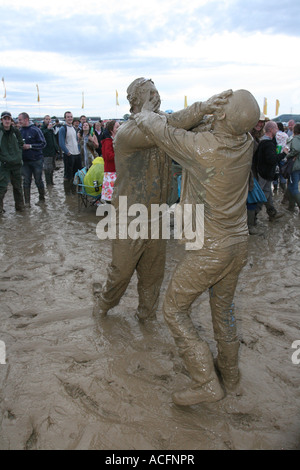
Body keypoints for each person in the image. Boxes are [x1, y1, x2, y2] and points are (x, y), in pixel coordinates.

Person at [133, 89, 260, 406]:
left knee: (174, 310)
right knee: (224, 310)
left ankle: (205, 382)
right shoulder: (247, 143)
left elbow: (158, 128)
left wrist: (145, 110)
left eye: (222, 108)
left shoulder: (204, 149)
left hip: (212, 249)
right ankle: (230, 378)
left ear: (222, 116)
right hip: (238, 243)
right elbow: (216, 127)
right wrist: (212, 114)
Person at [93, 77, 232, 327]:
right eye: (150, 94)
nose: (157, 97)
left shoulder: (159, 127)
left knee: (153, 275)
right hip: (129, 216)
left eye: (158, 92)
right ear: (136, 100)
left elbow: (184, 130)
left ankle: (146, 318)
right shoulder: (128, 132)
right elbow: (170, 124)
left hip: (157, 215)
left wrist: (211, 119)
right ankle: (103, 306)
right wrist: (201, 107)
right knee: (120, 274)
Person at [252, 120, 287, 222]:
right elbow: (272, 160)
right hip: (264, 173)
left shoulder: (263, 141)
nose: (278, 131)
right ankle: (252, 217)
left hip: (263, 172)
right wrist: (283, 154)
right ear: (271, 130)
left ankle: (272, 213)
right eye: (276, 128)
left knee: (268, 194)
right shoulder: (268, 144)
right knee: (261, 195)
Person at [18, 112, 46, 207]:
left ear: (26, 119)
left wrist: (30, 146)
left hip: (36, 160)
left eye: (20, 120)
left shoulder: (35, 130)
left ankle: (42, 199)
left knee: (38, 180)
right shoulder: (19, 131)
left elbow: (43, 144)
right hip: (24, 161)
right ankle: (27, 203)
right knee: (26, 182)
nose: (19, 121)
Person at [0, 111, 25, 214]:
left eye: (8, 119)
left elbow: (21, 143)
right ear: (1, 120)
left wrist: (18, 155)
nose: (7, 121)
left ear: (11, 120)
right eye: (4, 119)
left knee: (18, 188)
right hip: (4, 165)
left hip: (16, 165)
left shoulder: (15, 131)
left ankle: (20, 209)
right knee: (2, 189)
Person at [58, 111, 81, 193]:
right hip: (69, 155)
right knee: (68, 175)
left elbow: (76, 141)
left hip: (77, 154)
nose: (70, 118)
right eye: (68, 117)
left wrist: (78, 150)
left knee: (75, 174)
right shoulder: (63, 129)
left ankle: (74, 191)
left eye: (71, 116)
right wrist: (67, 152)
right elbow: (61, 143)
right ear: (65, 118)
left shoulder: (74, 129)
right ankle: (67, 193)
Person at [101, 120, 120, 202]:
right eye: (117, 127)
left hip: (117, 170)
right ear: (111, 130)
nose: (119, 128)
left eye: (119, 126)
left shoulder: (117, 140)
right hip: (111, 172)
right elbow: (108, 156)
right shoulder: (108, 141)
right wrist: (121, 155)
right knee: (111, 196)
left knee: (116, 195)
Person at [285, 122, 300, 210]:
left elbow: (296, 149)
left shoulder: (295, 139)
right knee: (291, 186)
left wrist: (288, 155)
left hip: (295, 166)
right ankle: (291, 206)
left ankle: (293, 206)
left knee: (293, 187)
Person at [41, 115, 59, 187]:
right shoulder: (42, 128)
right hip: (46, 152)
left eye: (49, 119)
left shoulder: (51, 128)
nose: (48, 121)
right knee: (47, 168)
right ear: (44, 120)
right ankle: (48, 183)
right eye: (46, 119)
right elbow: (41, 135)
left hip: (53, 151)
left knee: (52, 167)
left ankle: (51, 181)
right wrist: (47, 129)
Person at [273, 122, 289, 194]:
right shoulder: (285, 135)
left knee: (275, 172)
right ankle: (284, 188)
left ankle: (275, 188)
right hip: (283, 156)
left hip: (275, 155)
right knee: (282, 172)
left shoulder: (275, 135)